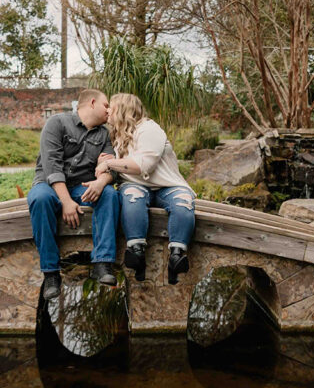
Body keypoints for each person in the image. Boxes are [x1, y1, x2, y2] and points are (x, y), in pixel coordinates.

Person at [27, 89, 120, 300]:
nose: (109, 110)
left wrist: (101, 181)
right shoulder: (57, 123)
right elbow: (51, 167)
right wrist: (66, 202)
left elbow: (112, 167)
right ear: (93, 102)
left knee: (109, 194)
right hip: (49, 185)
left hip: (81, 186)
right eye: (106, 105)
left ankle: (102, 263)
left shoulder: (103, 134)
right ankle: (51, 273)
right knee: (39, 199)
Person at [96, 93, 196, 285]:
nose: (108, 111)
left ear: (124, 109)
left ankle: (177, 256)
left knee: (183, 203)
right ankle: (136, 252)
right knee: (132, 199)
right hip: (136, 185)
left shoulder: (149, 129)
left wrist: (110, 164)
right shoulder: (115, 135)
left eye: (112, 107)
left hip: (168, 185)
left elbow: (143, 166)